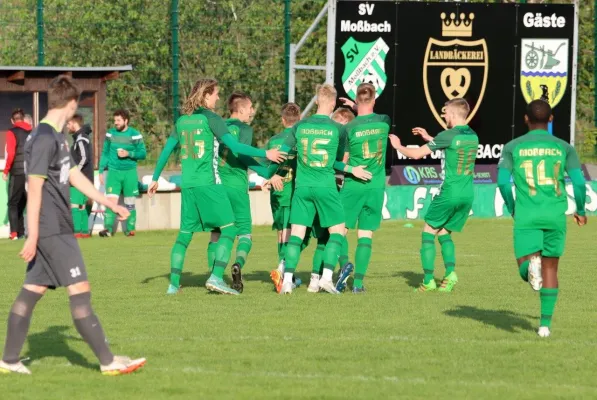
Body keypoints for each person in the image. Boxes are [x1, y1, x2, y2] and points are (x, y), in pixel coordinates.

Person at [0, 75, 145, 375]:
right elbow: (35, 188)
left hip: (55, 228)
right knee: (80, 289)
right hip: (52, 229)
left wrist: (110, 203)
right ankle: (107, 361)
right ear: (70, 104)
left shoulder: (56, 136)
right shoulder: (41, 138)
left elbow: (75, 177)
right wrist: (33, 235)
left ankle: (8, 359)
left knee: (32, 290)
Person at [148, 78, 285, 295]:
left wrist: (155, 178)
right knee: (230, 229)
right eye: (215, 94)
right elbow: (235, 146)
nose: (218, 98)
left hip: (188, 187)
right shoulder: (212, 119)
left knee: (184, 235)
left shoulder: (182, 120)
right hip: (210, 184)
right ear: (205, 95)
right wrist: (265, 153)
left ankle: (173, 285)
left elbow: (166, 150)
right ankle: (215, 277)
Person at [498, 100, 587, 338]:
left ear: (525, 119)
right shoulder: (564, 147)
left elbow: (501, 182)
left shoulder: (512, 147)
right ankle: (544, 326)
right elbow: (579, 183)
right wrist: (580, 210)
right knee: (551, 267)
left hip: (527, 214)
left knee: (524, 268)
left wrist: (512, 207)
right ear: (551, 120)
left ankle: (530, 267)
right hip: (555, 215)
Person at [277, 83, 371, 295]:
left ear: (317, 101)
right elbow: (334, 161)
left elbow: (284, 153)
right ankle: (326, 278)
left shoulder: (299, 126)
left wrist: (274, 173)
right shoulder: (338, 130)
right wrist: (350, 168)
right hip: (326, 186)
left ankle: (287, 281)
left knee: (297, 235)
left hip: (302, 187)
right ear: (334, 103)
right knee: (337, 232)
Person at [388, 98, 478, 292]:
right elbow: (453, 146)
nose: (443, 116)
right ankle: (450, 274)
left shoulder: (448, 135)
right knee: (444, 233)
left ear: (453, 114)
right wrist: (431, 138)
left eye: (445, 113)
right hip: (468, 194)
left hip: (449, 192)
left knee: (428, 233)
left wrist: (398, 146)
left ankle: (428, 281)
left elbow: (416, 155)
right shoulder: (472, 135)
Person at [334, 83, 391, 293]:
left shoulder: (348, 127)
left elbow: (343, 159)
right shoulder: (384, 121)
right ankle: (357, 284)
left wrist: (354, 108)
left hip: (354, 185)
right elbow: (370, 114)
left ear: (357, 100)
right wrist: (358, 106)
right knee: (365, 234)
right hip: (375, 186)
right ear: (374, 99)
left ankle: (344, 268)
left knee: (339, 230)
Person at [208, 92, 256, 293]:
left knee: (216, 234)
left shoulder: (218, 126)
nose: (252, 112)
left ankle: (214, 274)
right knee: (245, 234)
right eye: (250, 108)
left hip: (218, 187)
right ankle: (237, 264)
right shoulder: (245, 128)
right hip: (237, 188)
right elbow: (244, 154)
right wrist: (268, 171)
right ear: (242, 109)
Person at [98, 109, 146, 237]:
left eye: (118, 120)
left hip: (129, 173)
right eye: (115, 120)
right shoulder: (110, 134)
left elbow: (143, 154)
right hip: (113, 172)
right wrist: (101, 170)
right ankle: (108, 229)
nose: (116, 123)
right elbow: (105, 153)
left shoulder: (135, 135)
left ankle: (130, 230)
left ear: (126, 121)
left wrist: (128, 154)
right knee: (111, 202)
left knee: (130, 202)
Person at [3, 108, 32, 240]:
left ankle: (14, 233)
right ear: (23, 118)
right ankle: (23, 231)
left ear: (12, 120)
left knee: (13, 203)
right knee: (26, 202)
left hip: (17, 171)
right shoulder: (33, 131)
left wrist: (6, 170)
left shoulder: (12, 132)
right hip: (32, 172)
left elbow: (11, 153)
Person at [67, 114, 93, 238]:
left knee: (75, 205)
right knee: (82, 206)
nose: (67, 126)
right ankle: (84, 231)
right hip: (86, 177)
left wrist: (75, 172)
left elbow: (84, 157)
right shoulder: (82, 137)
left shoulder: (81, 139)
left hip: (79, 178)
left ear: (74, 123)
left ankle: (77, 231)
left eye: (68, 123)